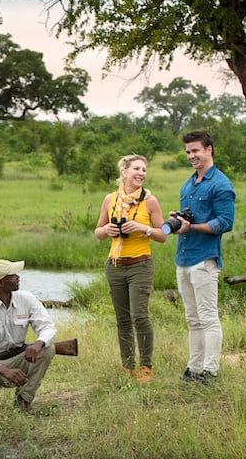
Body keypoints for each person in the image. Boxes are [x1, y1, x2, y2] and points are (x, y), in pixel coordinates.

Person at [94, 154, 168, 381]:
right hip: (115, 264)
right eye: (136, 168)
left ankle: (146, 367)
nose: (141, 173)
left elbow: (163, 234)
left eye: (144, 170)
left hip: (140, 264)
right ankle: (127, 366)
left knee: (139, 316)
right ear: (124, 172)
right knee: (122, 318)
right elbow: (98, 232)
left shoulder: (150, 201)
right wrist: (107, 230)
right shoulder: (110, 199)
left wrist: (142, 228)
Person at [169, 131, 236, 384]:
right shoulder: (188, 184)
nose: (191, 156)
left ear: (209, 149)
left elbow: (225, 222)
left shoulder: (220, 184)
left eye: (195, 150)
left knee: (208, 317)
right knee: (191, 318)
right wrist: (179, 220)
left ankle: (210, 370)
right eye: (187, 152)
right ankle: (194, 368)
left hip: (204, 258)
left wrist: (193, 228)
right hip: (183, 257)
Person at [0, 259, 57, 414]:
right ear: (1, 282)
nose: (18, 277)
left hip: (19, 359)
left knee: (48, 349)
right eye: (13, 275)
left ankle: (23, 401)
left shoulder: (27, 299)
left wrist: (39, 343)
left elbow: (48, 327)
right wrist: (3, 370)